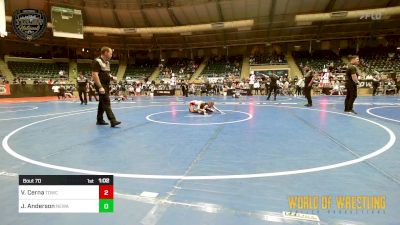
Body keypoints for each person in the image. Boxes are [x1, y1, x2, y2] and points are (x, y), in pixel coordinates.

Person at [92, 46, 121, 127]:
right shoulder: (97, 61)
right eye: (111, 53)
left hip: (106, 85)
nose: (112, 55)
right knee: (106, 102)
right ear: (105, 53)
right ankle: (113, 120)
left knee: (102, 103)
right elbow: (95, 75)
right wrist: (100, 87)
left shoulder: (107, 63)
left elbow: (107, 74)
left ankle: (99, 120)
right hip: (101, 85)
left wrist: (112, 77)